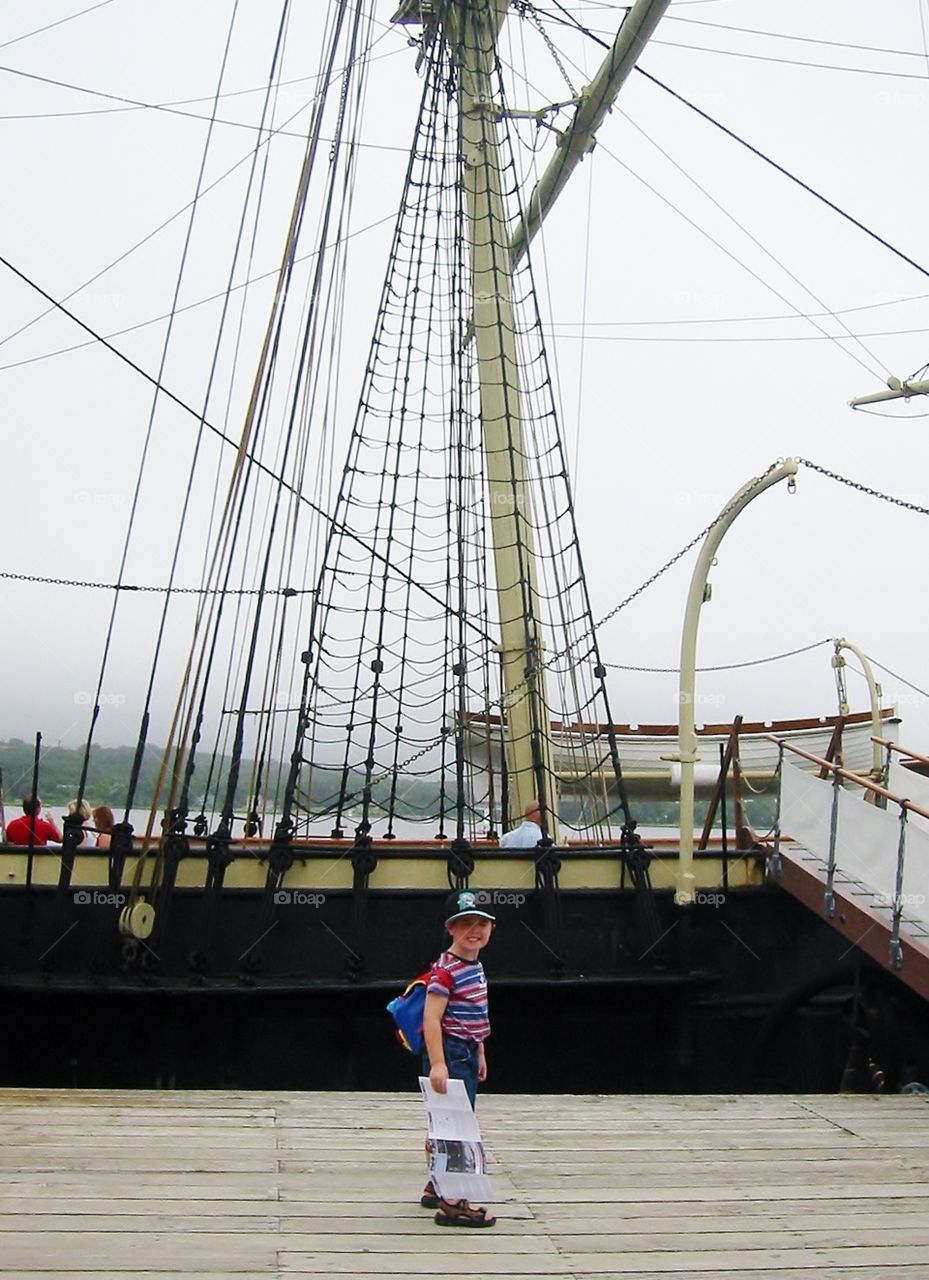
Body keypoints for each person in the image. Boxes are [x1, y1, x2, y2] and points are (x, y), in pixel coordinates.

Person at [420, 888, 497, 1228]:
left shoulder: (473, 965)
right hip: (450, 1051)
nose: (475, 930)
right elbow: (431, 1018)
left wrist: (479, 1049)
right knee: (455, 1126)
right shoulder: (446, 971)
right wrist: (439, 1062)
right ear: (450, 929)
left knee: (445, 1122)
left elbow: (474, 1013)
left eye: (482, 923)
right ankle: (453, 1203)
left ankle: (438, 1182)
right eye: (465, 923)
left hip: (465, 1049)